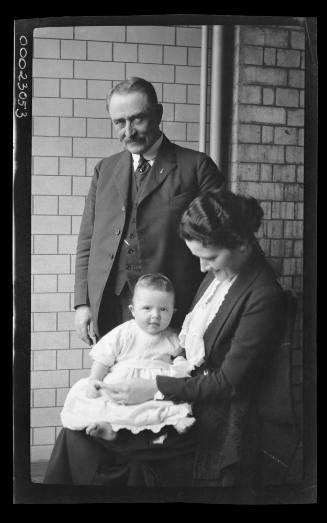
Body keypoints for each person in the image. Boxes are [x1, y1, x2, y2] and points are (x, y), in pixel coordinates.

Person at [44, 190, 296, 488]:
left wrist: (153, 389)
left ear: (242, 243)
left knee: (80, 440)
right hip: (184, 389)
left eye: (210, 257)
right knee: (74, 429)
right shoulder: (221, 274)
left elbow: (228, 383)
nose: (203, 268)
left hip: (213, 415)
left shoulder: (262, 295)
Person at [74, 77, 224, 346]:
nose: (128, 131)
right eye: (119, 122)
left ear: (158, 114)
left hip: (170, 311)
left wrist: (202, 313)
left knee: (164, 384)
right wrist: (82, 303)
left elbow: (221, 248)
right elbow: (87, 240)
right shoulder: (104, 170)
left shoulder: (197, 167)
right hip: (110, 305)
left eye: (137, 119)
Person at [61, 274, 195, 440]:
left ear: (173, 312)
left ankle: (174, 420)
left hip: (151, 387)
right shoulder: (124, 332)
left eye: (163, 309)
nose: (155, 315)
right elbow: (103, 358)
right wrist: (94, 381)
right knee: (105, 403)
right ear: (133, 310)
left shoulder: (174, 338)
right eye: (147, 308)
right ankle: (109, 428)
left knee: (164, 404)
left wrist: (178, 370)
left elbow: (181, 363)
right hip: (122, 383)